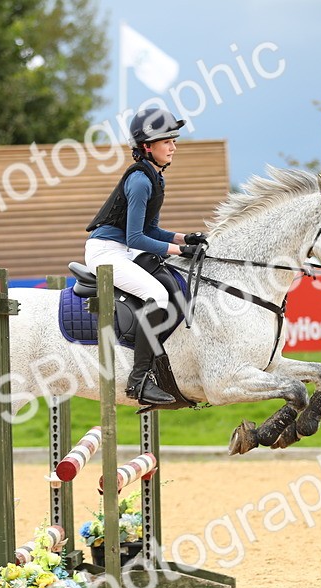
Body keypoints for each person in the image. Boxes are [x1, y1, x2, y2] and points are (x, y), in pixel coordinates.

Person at [84, 107, 207, 405]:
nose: (174, 147)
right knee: (157, 294)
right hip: (106, 252)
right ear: (147, 147)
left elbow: (151, 229)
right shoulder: (140, 181)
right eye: (168, 142)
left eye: (174, 141)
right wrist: (180, 251)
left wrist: (184, 238)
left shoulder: (154, 176)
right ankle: (138, 381)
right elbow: (136, 238)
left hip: (124, 250)